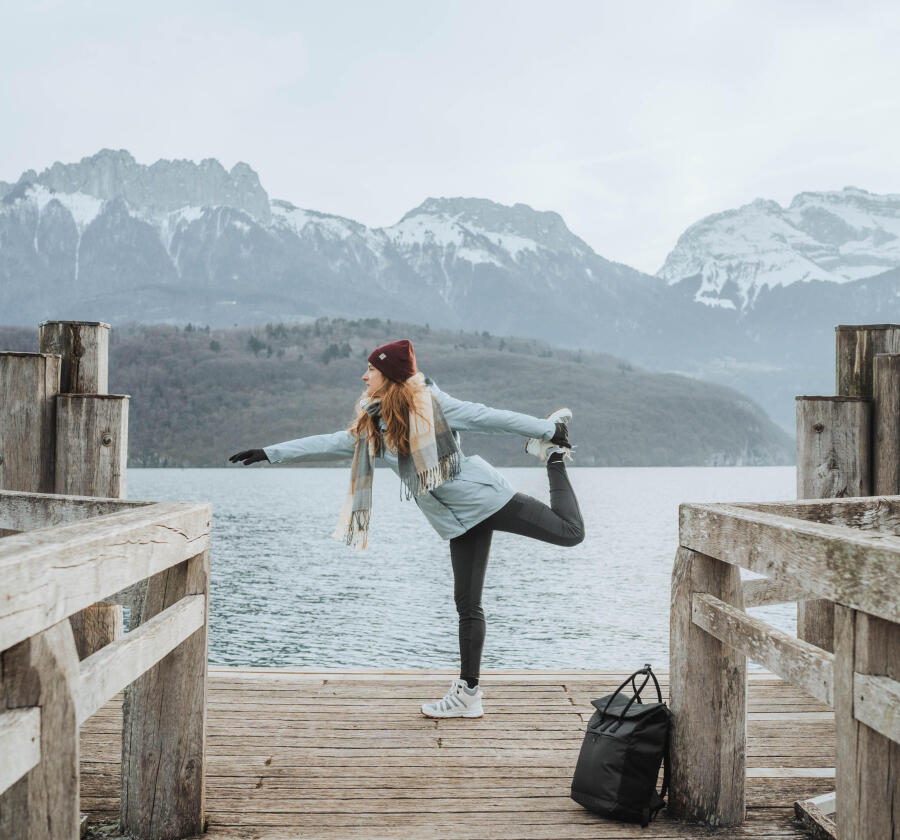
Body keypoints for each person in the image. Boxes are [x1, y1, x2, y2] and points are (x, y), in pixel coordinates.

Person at [229, 338, 585, 719]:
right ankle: (469, 695)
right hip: (455, 520)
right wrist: (272, 452)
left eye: (372, 370)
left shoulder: (435, 404)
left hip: (485, 500)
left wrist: (547, 430)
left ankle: (553, 459)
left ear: (390, 376)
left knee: (569, 533)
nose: (364, 376)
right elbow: (336, 442)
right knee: (467, 605)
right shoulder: (380, 423)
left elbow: (489, 417)